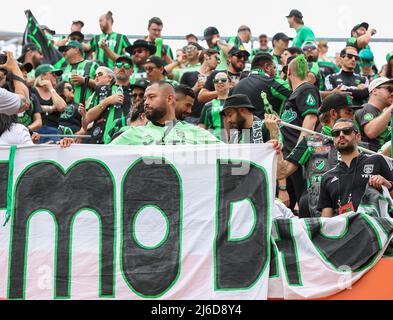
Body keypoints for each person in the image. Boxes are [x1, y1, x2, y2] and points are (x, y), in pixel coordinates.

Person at [278, 93, 362, 217]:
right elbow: (282, 172)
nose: (353, 117)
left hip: (352, 215)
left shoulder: (357, 142)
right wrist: (275, 139)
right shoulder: (310, 141)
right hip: (319, 216)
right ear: (333, 113)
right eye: (349, 112)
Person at [318, 118, 393, 217]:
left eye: (347, 131)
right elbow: (326, 221)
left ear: (358, 137)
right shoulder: (327, 177)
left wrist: (386, 184)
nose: (341, 135)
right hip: (345, 230)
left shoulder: (377, 160)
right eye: (336, 133)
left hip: (375, 228)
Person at [108, 81, 221, 146]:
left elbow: (229, 155)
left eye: (151, 97)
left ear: (170, 99)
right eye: (145, 98)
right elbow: (102, 158)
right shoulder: (131, 134)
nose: (146, 102)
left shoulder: (196, 133)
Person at [281, 55, 321, 210]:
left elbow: (310, 119)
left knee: (307, 206)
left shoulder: (307, 88)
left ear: (288, 71)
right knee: (287, 207)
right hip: (291, 158)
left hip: (301, 159)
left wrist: (298, 153)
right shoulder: (295, 93)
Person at [85, 56, 133, 144]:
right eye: (118, 65)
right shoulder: (101, 89)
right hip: (101, 141)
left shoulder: (137, 91)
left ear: (132, 71)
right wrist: (107, 101)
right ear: (114, 69)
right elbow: (88, 118)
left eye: (126, 65)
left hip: (127, 141)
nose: (122, 67)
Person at [231, 53, 292, 118]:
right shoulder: (270, 82)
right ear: (267, 67)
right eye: (274, 67)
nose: (275, 72)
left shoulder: (235, 87)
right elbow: (297, 91)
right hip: (264, 127)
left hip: (237, 128)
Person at [180, 48, 220, 124]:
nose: (218, 62)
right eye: (216, 58)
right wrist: (195, 88)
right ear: (206, 57)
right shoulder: (187, 75)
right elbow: (180, 98)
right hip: (190, 117)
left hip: (210, 119)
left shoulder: (218, 78)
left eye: (219, 60)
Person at [354, 77, 393, 152]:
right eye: (390, 89)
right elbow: (371, 132)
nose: (392, 93)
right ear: (375, 91)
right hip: (368, 157)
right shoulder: (367, 108)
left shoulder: (381, 113)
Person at [32, 64, 66, 143]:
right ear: (43, 76)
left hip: (53, 131)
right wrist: (51, 108)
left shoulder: (55, 93)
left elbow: (62, 107)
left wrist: (51, 88)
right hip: (35, 132)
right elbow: (30, 107)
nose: (55, 77)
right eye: (53, 74)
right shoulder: (31, 90)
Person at [59, 41, 99, 106]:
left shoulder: (92, 65)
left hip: (86, 109)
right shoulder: (63, 69)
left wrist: (84, 80)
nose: (63, 53)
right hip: (67, 111)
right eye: (63, 51)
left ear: (76, 49)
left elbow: (102, 85)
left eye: (66, 50)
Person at [199, 72, 231, 142]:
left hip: (233, 142)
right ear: (214, 85)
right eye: (216, 81)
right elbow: (201, 128)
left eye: (223, 80)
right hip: (214, 144)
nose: (219, 82)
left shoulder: (236, 102)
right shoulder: (208, 105)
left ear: (230, 83)